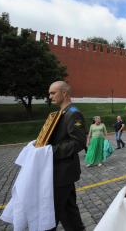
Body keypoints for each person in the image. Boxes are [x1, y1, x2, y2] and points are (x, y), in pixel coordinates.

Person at [47, 81, 85, 231]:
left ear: (64, 93)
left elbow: (78, 142)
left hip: (64, 172)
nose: (50, 96)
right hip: (60, 172)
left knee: (51, 213)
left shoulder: (73, 113)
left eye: (53, 93)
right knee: (68, 212)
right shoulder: (62, 113)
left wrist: (51, 151)